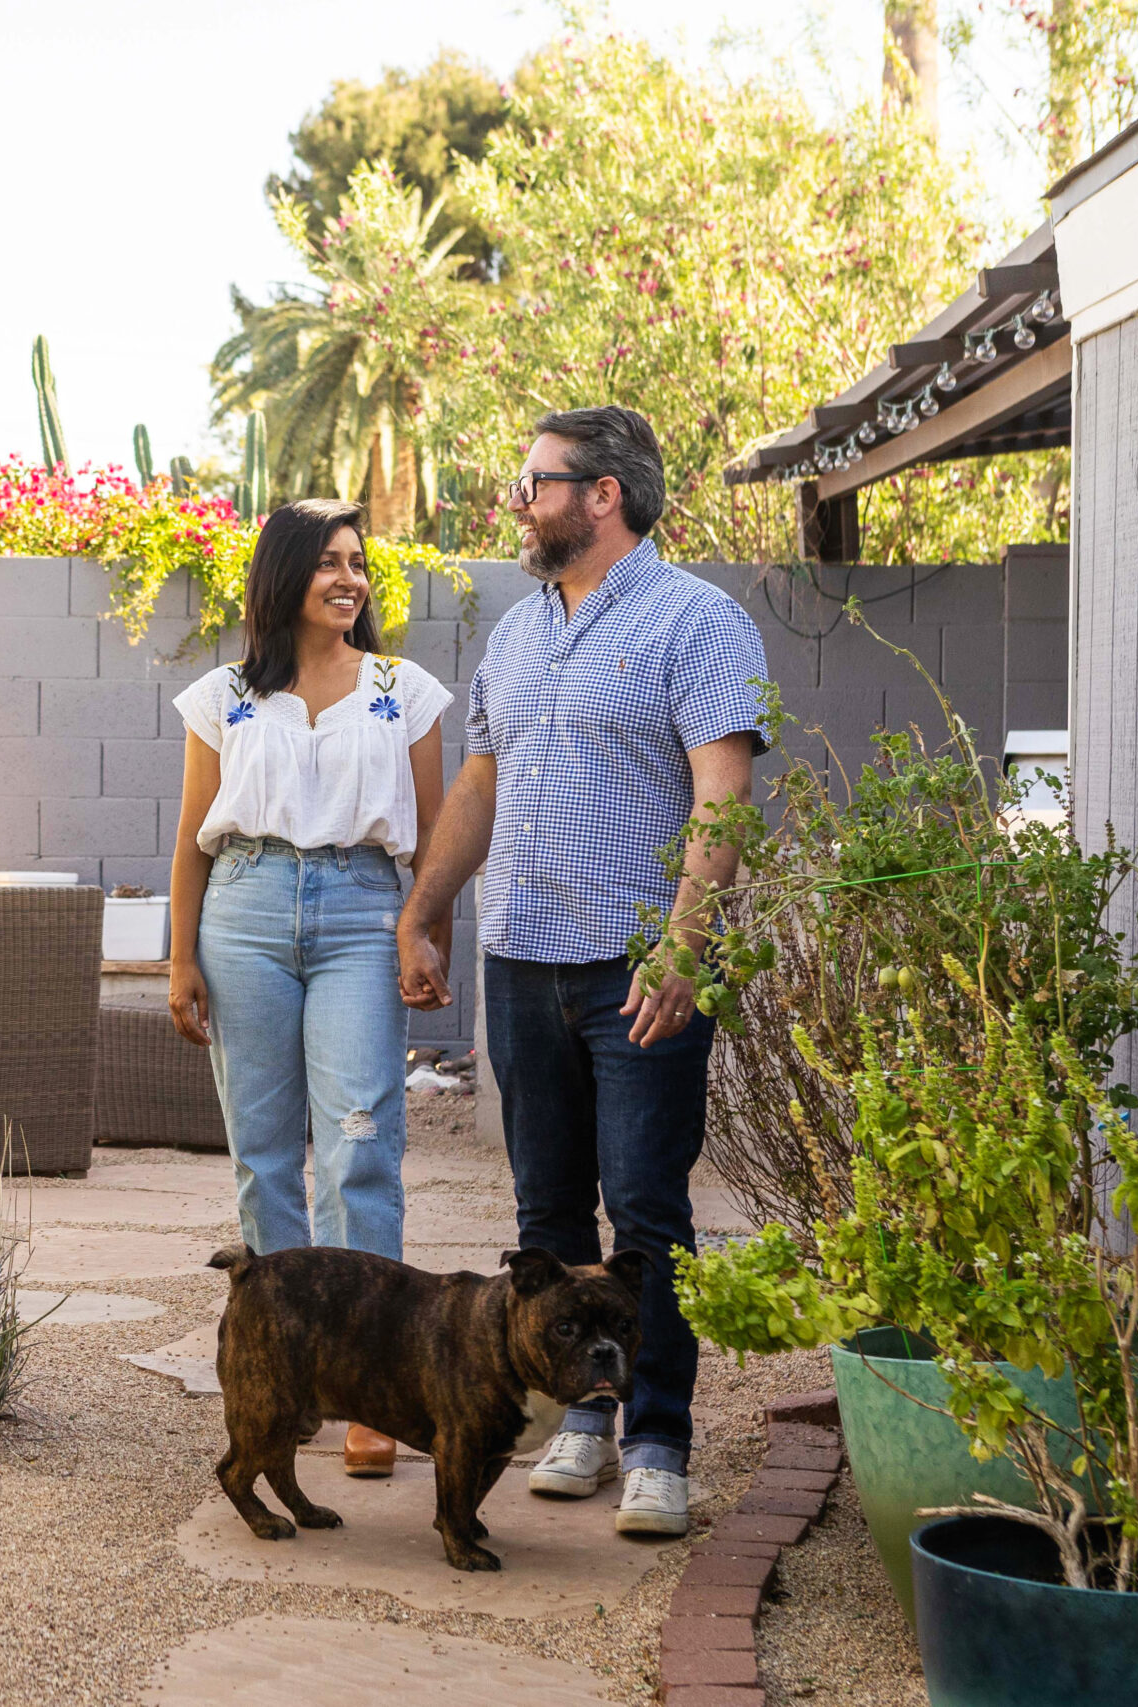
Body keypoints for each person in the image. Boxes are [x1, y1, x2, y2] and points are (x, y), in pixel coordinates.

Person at [397, 406, 767, 1538]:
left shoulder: (697, 623)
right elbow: (477, 790)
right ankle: (581, 1422)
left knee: (646, 1213)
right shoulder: (513, 634)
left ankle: (658, 1439)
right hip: (520, 961)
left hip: (635, 968)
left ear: (601, 495)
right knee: (545, 1222)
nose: (519, 501)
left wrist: (685, 942)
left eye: (535, 482)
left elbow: (722, 795)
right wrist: (427, 908)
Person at [168, 497, 452, 1481]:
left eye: (357, 563)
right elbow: (190, 837)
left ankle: (375, 1388)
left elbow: (432, 832)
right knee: (262, 1158)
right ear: (285, 577)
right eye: (329, 562)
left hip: (361, 913)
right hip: (241, 910)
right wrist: (179, 957)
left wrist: (428, 937)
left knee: (359, 1146)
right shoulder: (224, 698)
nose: (348, 579)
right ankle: (287, 1379)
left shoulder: (401, 691)